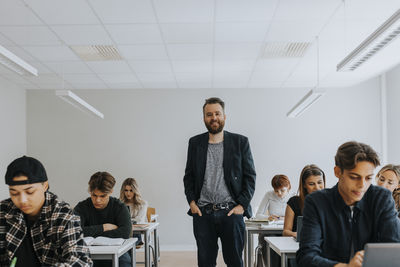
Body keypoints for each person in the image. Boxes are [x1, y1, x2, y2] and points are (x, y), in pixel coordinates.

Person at [297, 141, 400, 267]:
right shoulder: (316, 202)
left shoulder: (382, 198)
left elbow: (394, 250)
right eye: (354, 177)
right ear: (337, 172)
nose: (362, 185)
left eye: (368, 178)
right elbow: (306, 257)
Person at [183, 97, 256, 267]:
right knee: (205, 263)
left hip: (231, 213)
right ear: (204, 118)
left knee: (235, 262)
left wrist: (242, 206)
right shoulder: (195, 143)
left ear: (224, 116)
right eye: (209, 114)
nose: (213, 117)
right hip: (203, 214)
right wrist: (192, 203)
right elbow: (189, 176)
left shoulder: (240, 142)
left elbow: (250, 176)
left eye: (217, 113)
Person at [0, 156, 92, 267]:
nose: (22, 200)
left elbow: (80, 261)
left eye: (30, 192)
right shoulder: (3, 212)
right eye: (14, 193)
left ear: (45, 186)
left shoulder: (63, 215)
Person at [74, 171, 132, 267]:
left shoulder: (119, 207)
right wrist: (103, 227)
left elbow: (125, 232)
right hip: (88, 253)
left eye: (102, 196)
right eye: (94, 195)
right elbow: (74, 232)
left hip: (117, 252)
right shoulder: (82, 207)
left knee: (124, 263)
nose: (97, 200)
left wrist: (91, 232)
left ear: (111, 191)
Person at [255, 174, 292, 267]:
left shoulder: (294, 197)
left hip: (287, 230)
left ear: (288, 187)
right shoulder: (269, 195)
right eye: (276, 191)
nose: (279, 193)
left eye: (282, 190)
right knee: (268, 239)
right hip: (271, 230)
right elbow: (258, 215)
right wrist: (268, 217)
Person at [283, 164, 325, 238]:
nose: (317, 188)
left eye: (320, 182)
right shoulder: (294, 202)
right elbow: (286, 231)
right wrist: (297, 235)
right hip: (299, 245)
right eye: (311, 184)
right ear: (304, 185)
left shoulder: (330, 202)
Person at [120, 177, 148, 248]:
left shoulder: (142, 204)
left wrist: (125, 222)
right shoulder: (120, 203)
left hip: (137, 233)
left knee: (126, 245)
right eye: (126, 190)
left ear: (135, 190)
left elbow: (139, 220)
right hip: (123, 232)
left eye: (131, 190)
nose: (128, 193)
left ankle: (128, 258)